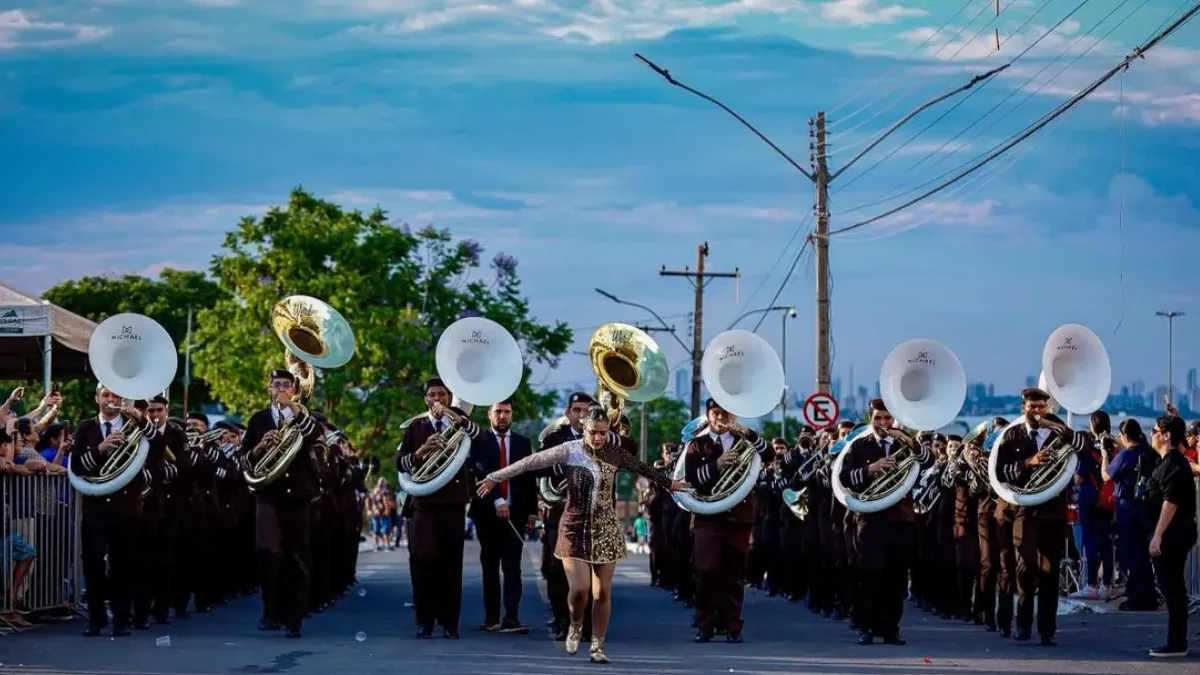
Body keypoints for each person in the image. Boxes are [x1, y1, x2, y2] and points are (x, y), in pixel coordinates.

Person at [476, 404, 687, 664]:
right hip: (574, 527)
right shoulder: (569, 450)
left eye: (602, 433)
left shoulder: (615, 452)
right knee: (580, 590)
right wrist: (495, 477)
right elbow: (528, 463)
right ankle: (575, 624)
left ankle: (597, 645)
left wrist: (672, 484)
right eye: (592, 432)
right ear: (583, 430)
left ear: (608, 431)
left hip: (606, 528)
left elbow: (644, 469)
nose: (597, 437)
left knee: (602, 593)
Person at [992, 388, 1089, 646]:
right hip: (1025, 509)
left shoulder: (1059, 430)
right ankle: (1023, 624)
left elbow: (1085, 447)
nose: (1037, 411)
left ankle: (1047, 630)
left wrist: (1060, 429)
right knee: (1026, 567)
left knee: (1050, 571)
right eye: (1032, 407)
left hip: (1053, 510)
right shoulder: (1011, 435)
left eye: (1041, 407)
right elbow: (1000, 473)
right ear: (1023, 407)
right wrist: (1029, 463)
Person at [235, 368, 325, 638]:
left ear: (294, 390)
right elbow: (244, 460)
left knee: (296, 556)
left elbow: (314, 436)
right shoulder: (259, 419)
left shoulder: (304, 417)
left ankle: (293, 617)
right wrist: (261, 447)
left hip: (297, 496)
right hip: (269, 494)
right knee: (268, 551)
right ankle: (270, 610)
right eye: (277, 384)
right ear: (269, 388)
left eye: (286, 384)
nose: (281, 389)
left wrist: (294, 410)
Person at [837, 398, 933, 645]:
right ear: (871, 419)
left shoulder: (905, 442)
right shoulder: (860, 445)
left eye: (887, 418)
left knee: (896, 575)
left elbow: (928, 462)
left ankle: (890, 628)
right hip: (871, 518)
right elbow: (844, 478)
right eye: (878, 418)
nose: (883, 423)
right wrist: (870, 470)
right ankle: (866, 627)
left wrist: (910, 441)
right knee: (870, 573)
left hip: (901, 518)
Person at [395, 377, 482, 639]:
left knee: (451, 563)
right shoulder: (416, 427)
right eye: (433, 395)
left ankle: (450, 622)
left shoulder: (461, 424)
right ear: (426, 400)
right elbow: (400, 463)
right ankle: (425, 620)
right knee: (424, 560)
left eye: (442, 394)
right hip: (424, 503)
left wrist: (459, 420)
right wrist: (421, 452)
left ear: (449, 397)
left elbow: (483, 440)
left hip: (453, 502)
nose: (438, 399)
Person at [684, 397, 772, 643]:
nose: (721, 418)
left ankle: (733, 626)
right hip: (708, 517)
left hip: (738, 518)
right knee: (706, 571)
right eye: (716, 413)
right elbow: (691, 480)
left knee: (734, 574)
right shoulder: (696, 445)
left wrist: (747, 432)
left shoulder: (746, 441)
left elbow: (769, 454)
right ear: (708, 415)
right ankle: (706, 624)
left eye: (726, 413)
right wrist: (717, 465)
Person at [468, 398, 535, 634]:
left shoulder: (522, 442)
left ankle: (511, 618)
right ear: (490, 415)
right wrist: (497, 500)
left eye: (506, 412)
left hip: (516, 514)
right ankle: (491, 618)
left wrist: (532, 512)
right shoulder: (479, 441)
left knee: (513, 567)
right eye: (498, 411)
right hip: (486, 513)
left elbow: (528, 477)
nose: (502, 416)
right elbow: (480, 471)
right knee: (490, 566)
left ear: (512, 414)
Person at [1144, 414, 1196, 658]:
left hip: (1173, 533)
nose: (1151, 435)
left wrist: (1158, 535)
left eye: (1155, 431)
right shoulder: (1166, 461)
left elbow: (1170, 502)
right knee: (1172, 586)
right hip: (1172, 531)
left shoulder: (1174, 464)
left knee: (1172, 587)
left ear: (1166, 435)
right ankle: (1177, 640)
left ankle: (1176, 642)